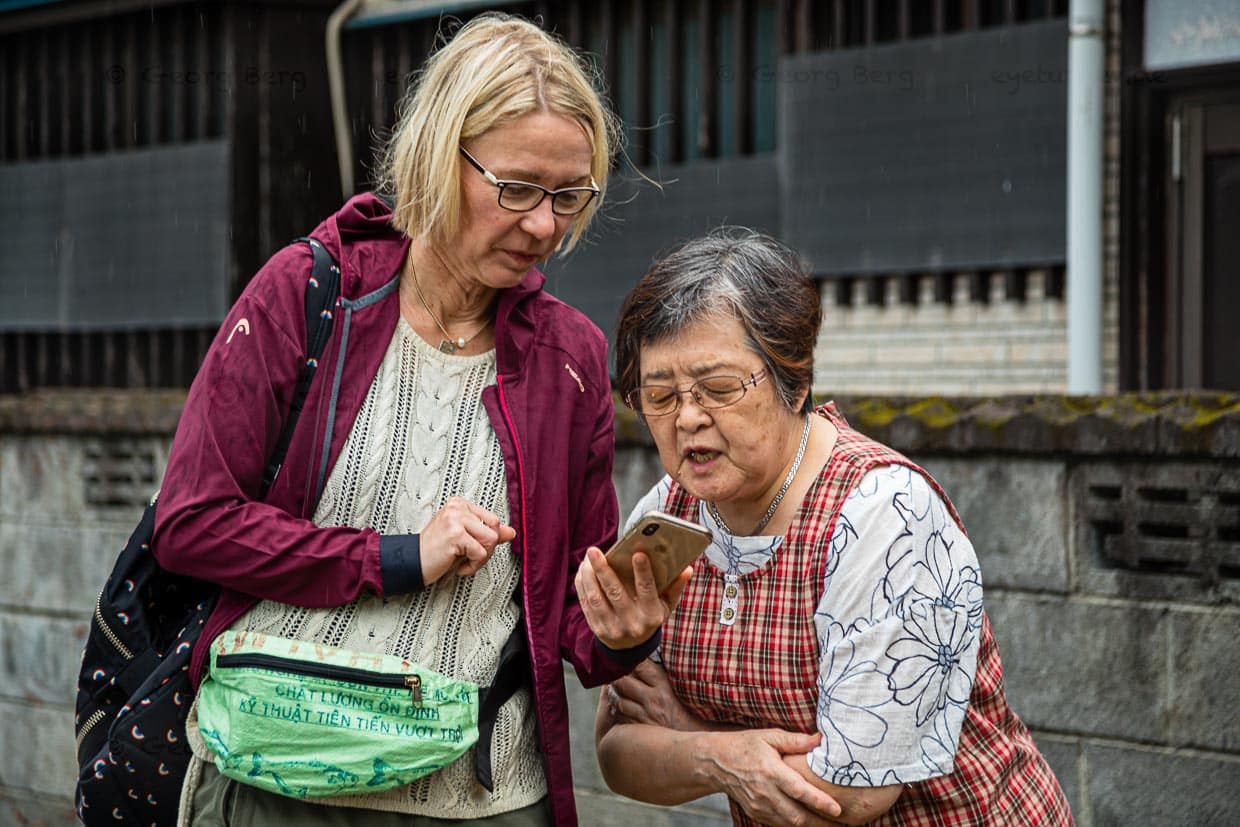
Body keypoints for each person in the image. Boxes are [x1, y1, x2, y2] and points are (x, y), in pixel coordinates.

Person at [153, 14, 676, 827]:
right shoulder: (305, 294)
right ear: (440, 152)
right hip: (278, 782)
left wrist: (623, 631)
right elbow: (191, 525)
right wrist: (399, 556)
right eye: (517, 189)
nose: (545, 224)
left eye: (570, 195)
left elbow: (568, 619)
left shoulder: (571, 360)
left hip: (485, 800)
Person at [584, 227, 1073, 826]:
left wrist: (691, 740)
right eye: (659, 395)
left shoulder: (883, 516)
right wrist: (723, 756)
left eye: (718, 388)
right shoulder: (667, 516)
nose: (687, 417)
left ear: (795, 381)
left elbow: (849, 797)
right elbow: (617, 753)